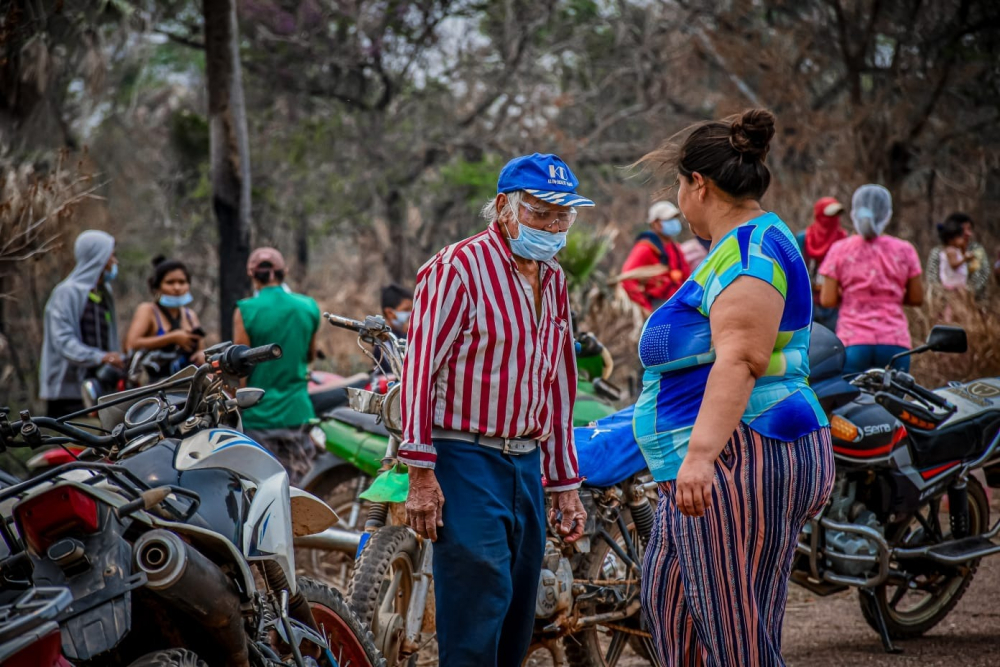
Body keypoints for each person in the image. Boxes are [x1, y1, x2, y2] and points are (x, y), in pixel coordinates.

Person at [633, 109, 833, 667]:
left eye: (678, 185)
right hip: (716, 460)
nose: (678, 201)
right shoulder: (743, 245)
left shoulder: (749, 254)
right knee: (672, 606)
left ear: (700, 184)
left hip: (740, 452)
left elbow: (742, 358)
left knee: (734, 636)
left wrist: (700, 457)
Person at [399, 153, 589, 666]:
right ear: (504, 207)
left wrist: (564, 482)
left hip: (526, 461)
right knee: (477, 602)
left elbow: (559, 383)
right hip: (465, 459)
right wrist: (420, 471)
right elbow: (418, 371)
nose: (553, 226)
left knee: (518, 610)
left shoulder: (553, 279)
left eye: (562, 215)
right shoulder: (458, 267)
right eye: (541, 212)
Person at [233, 247, 321, 485]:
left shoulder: (246, 310)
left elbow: (241, 368)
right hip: (298, 412)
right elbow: (310, 354)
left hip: (259, 416)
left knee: (264, 489)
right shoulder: (309, 306)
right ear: (285, 272)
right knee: (302, 491)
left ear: (252, 274)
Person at [819, 185, 923, 375]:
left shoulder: (840, 250)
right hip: (894, 343)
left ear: (854, 213)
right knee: (894, 402)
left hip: (853, 341)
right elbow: (916, 298)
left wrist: (853, 298)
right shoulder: (904, 250)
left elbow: (827, 299)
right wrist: (892, 296)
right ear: (887, 214)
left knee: (853, 404)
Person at [39, 230, 123, 418]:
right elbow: (63, 341)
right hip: (68, 393)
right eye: (111, 256)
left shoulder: (104, 295)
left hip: (99, 388)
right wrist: (100, 357)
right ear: (98, 257)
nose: (115, 262)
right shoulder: (66, 293)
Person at [124, 256, 205, 380]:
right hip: (152, 388)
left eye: (182, 282)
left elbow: (201, 350)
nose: (177, 288)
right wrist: (172, 338)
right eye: (170, 282)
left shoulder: (190, 315)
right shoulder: (148, 310)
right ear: (157, 286)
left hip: (186, 387)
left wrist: (201, 355)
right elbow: (132, 344)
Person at [620, 200, 692, 313]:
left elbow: (686, 276)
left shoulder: (675, 248)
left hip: (676, 303)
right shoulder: (645, 248)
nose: (674, 223)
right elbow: (627, 279)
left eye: (674, 219)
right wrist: (645, 308)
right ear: (655, 223)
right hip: (657, 305)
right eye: (668, 220)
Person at [796, 196, 846, 331]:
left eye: (835, 216)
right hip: (807, 300)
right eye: (828, 215)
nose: (832, 220)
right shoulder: (804, 239)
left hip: (834, 302)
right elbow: (797, 269)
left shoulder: (843, 240)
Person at [926, 212, 991, 301]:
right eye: (964, 229)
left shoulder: (976, 250)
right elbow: (932, 279)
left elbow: (982, 275)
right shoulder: (938, 252)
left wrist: (966, 293)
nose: (968, 234)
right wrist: (947, 294)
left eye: (970, 229)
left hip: (973, 303)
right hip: (946, 301)